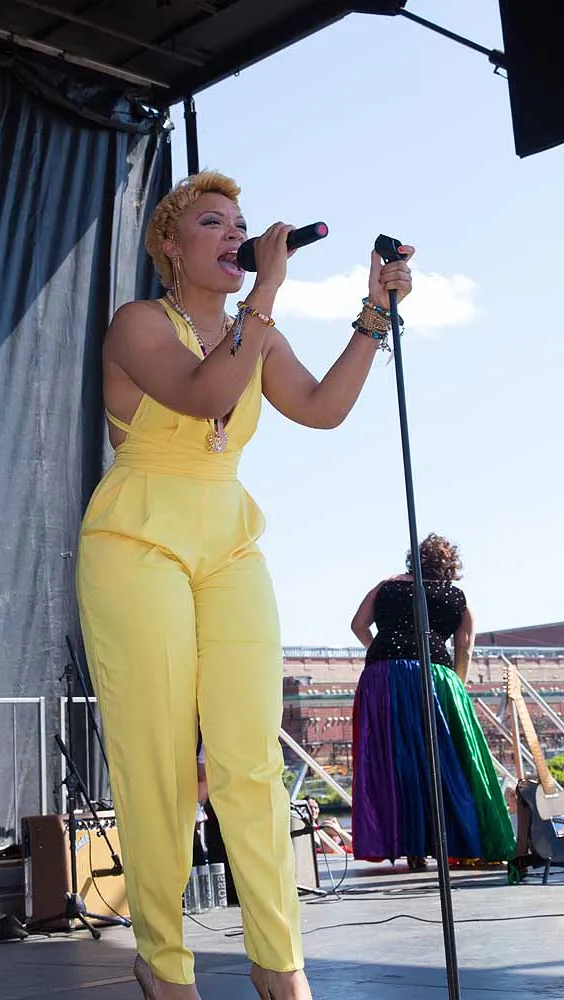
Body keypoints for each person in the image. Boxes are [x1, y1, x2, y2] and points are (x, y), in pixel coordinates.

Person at [76, 170, 413, 1000]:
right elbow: (204, 395)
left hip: (228, 541)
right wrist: (265, 293)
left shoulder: (255, 330)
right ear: (169, 245)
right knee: (158, 761)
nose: (236, 234)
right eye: (213, 223)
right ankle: (163, 961)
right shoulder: (137, 323)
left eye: (240, 224)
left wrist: (375, 312)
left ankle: (278, 959)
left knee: (250, 758)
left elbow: (324, 407)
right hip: (137, 539)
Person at [350, 533, 515, 868]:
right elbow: (464, 647)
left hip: (382, 678)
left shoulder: (385, 586)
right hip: (434, 675)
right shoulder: (457, 596)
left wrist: (381, 650)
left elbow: (358, 625)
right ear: (451, 566)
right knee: (445, 761)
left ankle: (410, 847)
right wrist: (457, 685)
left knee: (393, 759)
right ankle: (451, 841)